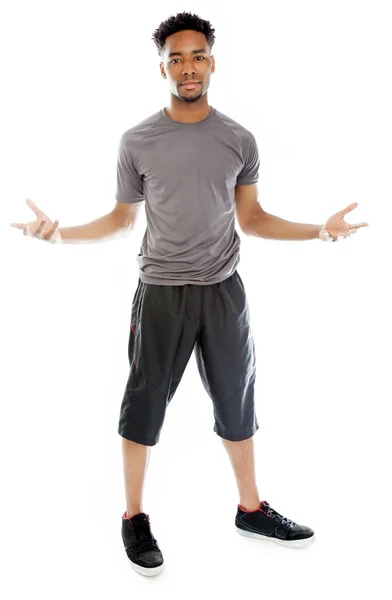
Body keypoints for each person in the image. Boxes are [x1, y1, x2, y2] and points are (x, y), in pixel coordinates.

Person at [11, 11, 368, 578]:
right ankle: (134, 517)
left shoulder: (238, 139)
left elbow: (251, 219)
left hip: (224, 291)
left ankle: (251, 509)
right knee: (144, 405)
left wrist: (320, 230)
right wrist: (60, 234)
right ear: (162, 68)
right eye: (175, 57)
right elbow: (120, 221)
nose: (188, 67)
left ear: (212, 62)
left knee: (237, 400)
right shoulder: (138, 141)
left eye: (197, 55)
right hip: (161, 293)